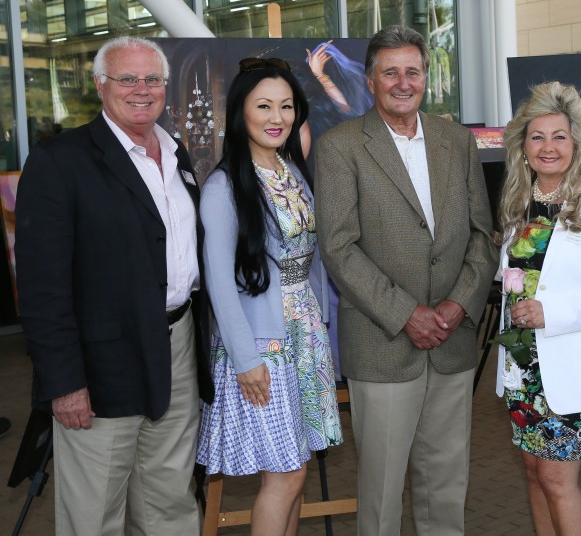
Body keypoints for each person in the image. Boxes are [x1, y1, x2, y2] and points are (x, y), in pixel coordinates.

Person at [15, 36, 213, 536]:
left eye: (152, 79)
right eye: (127, 78)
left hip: (179, 347)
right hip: (101, 366)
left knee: (169, 496)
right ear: (100, 85)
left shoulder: (177, 154)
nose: (141, 89)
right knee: (94, 511)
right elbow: (42, 287)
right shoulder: (61, 160)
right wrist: (64, 382)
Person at [314, 24, 497, 535]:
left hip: (452, 343)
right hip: (383, 343)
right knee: (381, 494)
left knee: (446, 485)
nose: (402, 82)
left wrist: (458, 305)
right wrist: (406, 314)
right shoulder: (340, 146)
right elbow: (338, 246)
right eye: (390, 72)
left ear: (425, 80)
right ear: (370, 81)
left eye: (412, 71)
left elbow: (483, 235)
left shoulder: (456, 140)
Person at [196, 58, 342, 535]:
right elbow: (218, 280)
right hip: (263, 346)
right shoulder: (223, 187)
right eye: (264, 106)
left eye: (286, 106)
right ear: (241, 112)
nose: (276, 117)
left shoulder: (291, 170)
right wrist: (244, 359)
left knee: (295, 468)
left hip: (303, 334)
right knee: (285, 473)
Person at [493, 81, 581, 535]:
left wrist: (549, 312)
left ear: (577, 143)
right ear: (523, 146)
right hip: (523, 365)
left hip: (570, 364)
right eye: (537, 137)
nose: (548, 147)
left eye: (559, 136)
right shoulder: (519, 206)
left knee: (556, 478)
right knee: (534, 473)